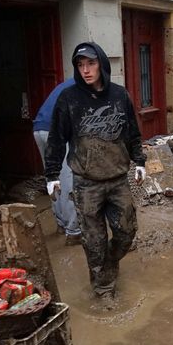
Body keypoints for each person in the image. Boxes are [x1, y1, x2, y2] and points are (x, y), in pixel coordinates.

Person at [44, 42, 147, 303]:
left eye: (91, 63)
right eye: (81, 65)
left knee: (126, 232)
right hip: (86, 182)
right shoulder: (69, 99)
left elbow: (132, 132)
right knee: (93, 240)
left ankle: (109, 265)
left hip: (117, 179)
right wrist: (52, 174)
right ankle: (103, 287)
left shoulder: (119, 95)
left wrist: (140, 161)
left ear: (101, 63)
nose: (86, 70)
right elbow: (56, 138)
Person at [33, 77, 80, 246]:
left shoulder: (68, 83)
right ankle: (74, 231)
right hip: (56, 130)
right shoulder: (85, 87)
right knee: (70, 179)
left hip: (39, 129)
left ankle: (61, 223)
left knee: (53, 178)